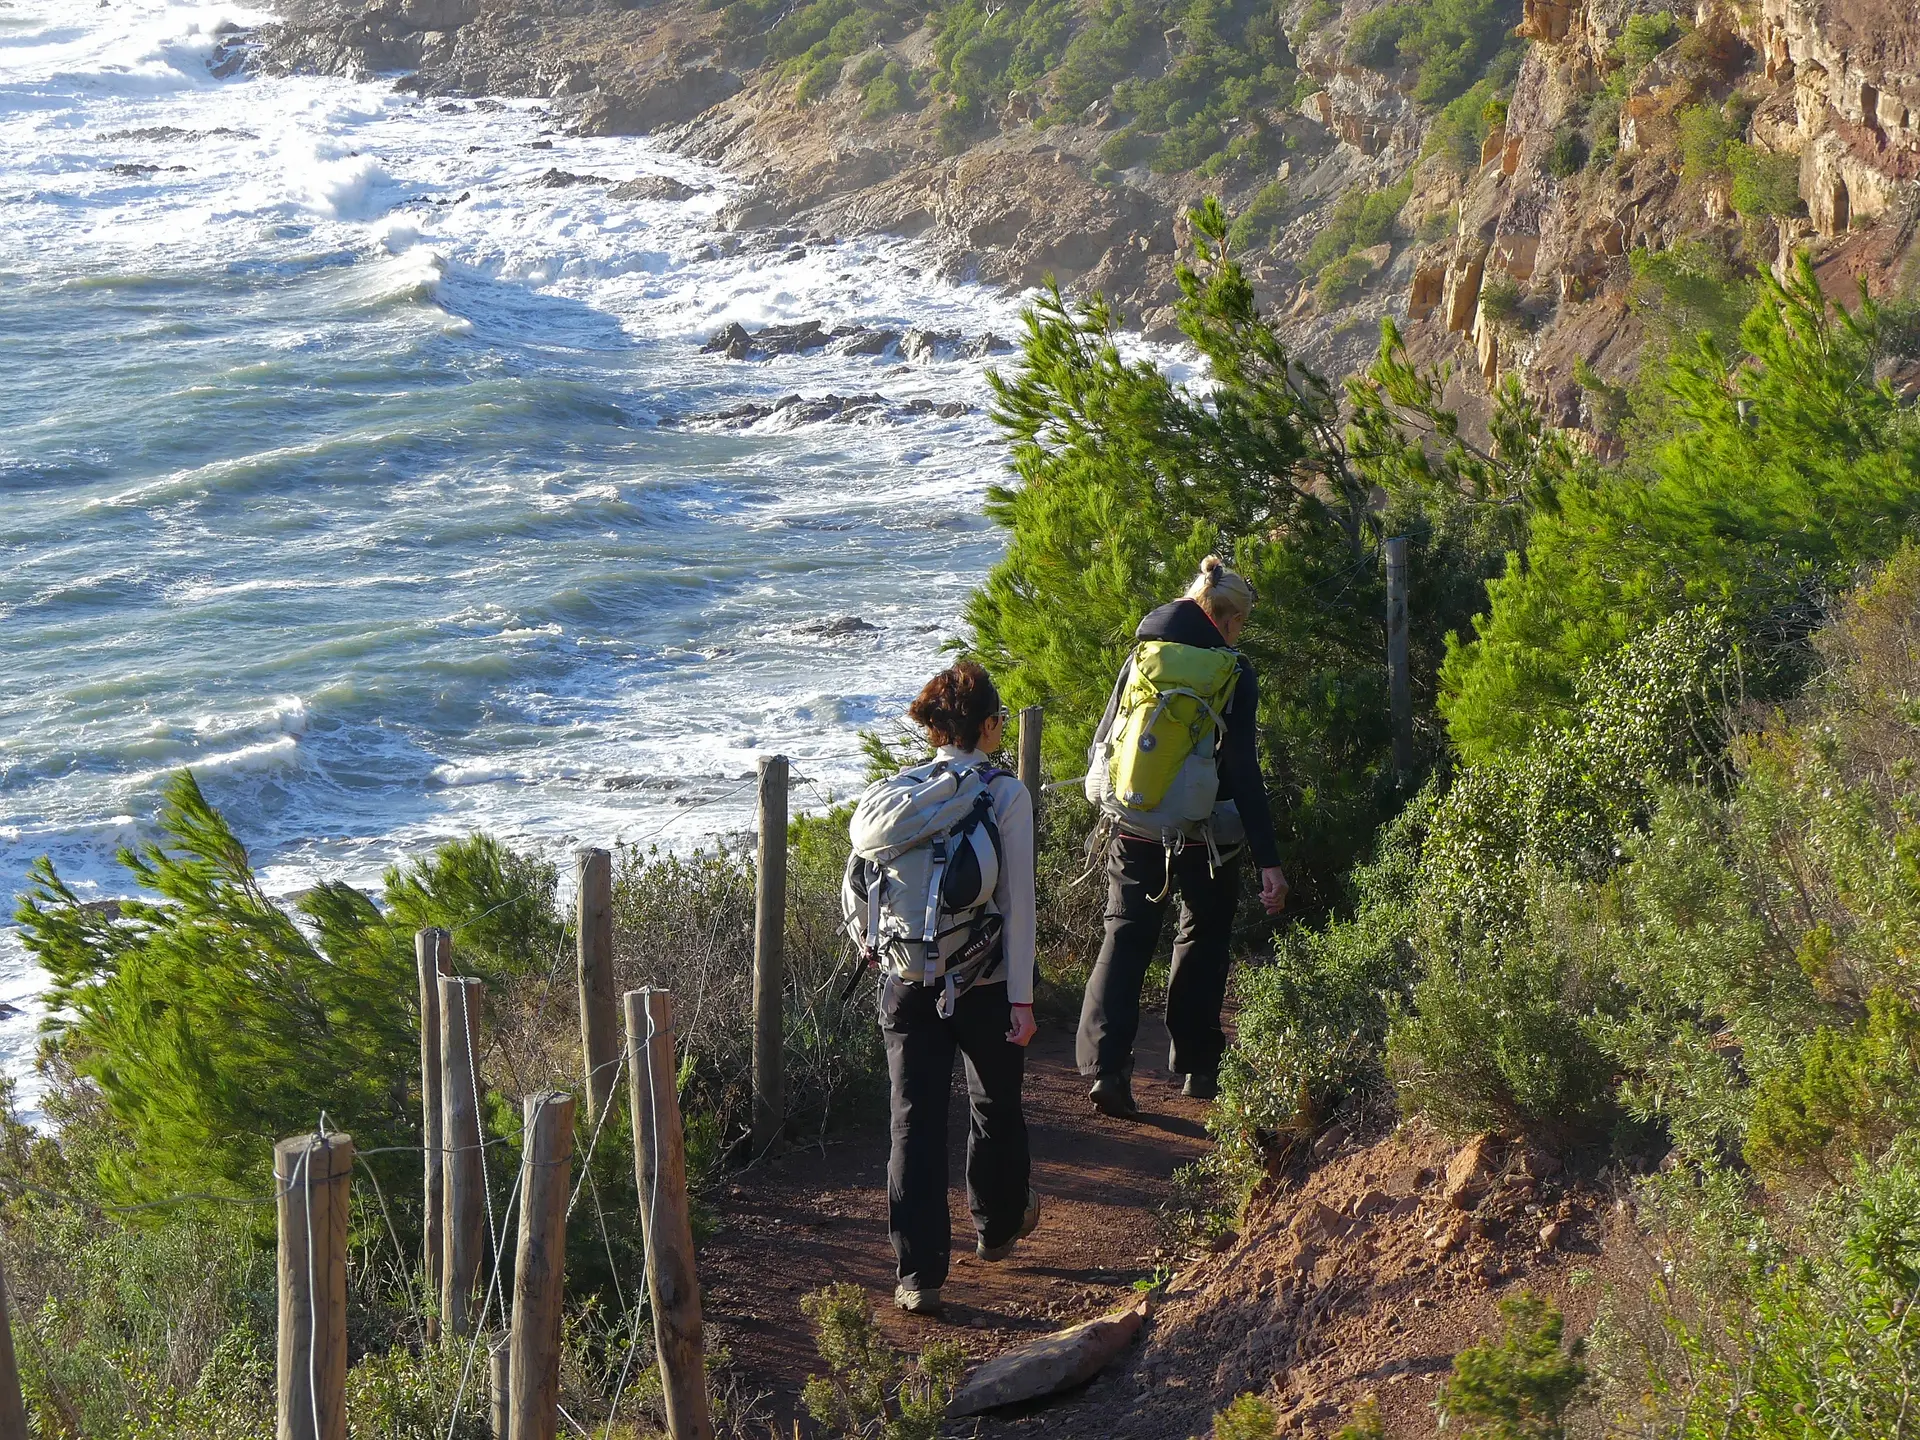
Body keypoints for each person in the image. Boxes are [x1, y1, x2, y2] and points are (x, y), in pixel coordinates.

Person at [853, 661, 1039, 1316]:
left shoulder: (896, 797)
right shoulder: (1004, 794)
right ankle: (996, 1228)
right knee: (995, 1102)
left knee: (913, 1122)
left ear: (934, 729)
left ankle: (918, 1276)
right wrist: (1022, 997)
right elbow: (1018, 904)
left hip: (904, 983)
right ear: (989, 727)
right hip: (983, 981)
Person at [1077, 556, 1288, 1118]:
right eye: (1240, 624)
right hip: (1207, 835)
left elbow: (1107, 735)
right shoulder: (1234, 670)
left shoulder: (1143, 653)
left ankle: (1107, 1070)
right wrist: (1270, 858)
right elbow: (1242, 767)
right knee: (1203, 938)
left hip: (1136, 824)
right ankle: (1197, 1065)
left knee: (1124, 937)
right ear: (1228, 618)